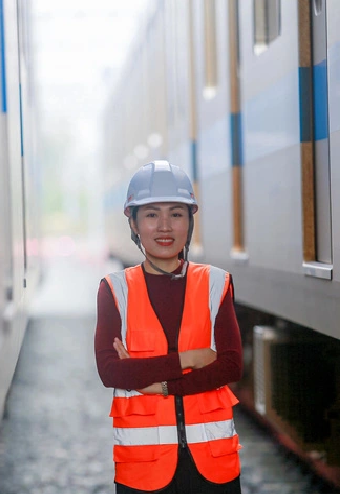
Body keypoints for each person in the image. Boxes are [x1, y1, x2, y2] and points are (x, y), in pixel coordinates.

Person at [95, 161, 244, 493]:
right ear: (133, 223)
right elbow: (111, 372)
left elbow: (230, 366)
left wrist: (158, 384)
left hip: (213, 467)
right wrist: (189, 359)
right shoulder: (114, 289)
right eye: (151, 214)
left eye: (176, 213)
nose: (164, 226)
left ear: (189, 221)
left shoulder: (216, 283)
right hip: (144, 471)